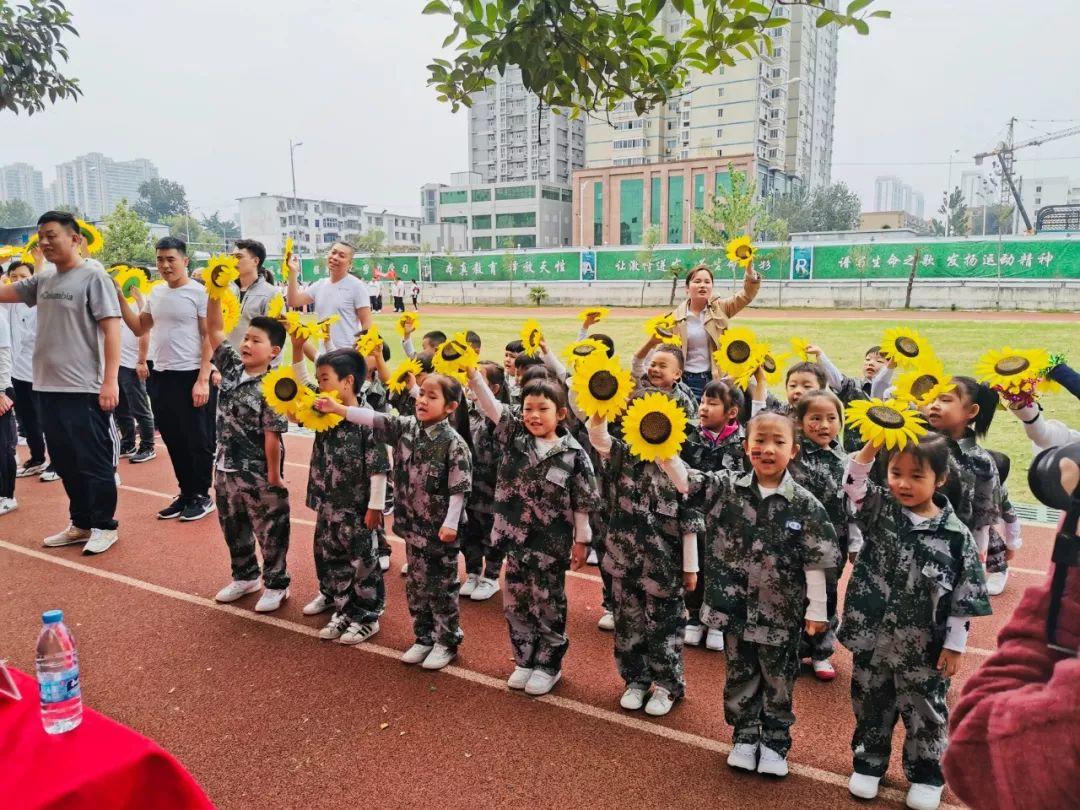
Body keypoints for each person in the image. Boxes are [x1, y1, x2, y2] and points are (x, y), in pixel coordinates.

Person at [660, 411, 840, 778]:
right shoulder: (726, 488)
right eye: (759, 440)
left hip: (781, 613)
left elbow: (817, 561)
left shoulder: (805, 504)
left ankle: (774, 743)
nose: (767, 449)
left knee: (778, 678)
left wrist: (817, 610)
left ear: (794, 450)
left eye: (778, 441)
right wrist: (662, 449)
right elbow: (686, 483)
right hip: (735, 610)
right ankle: (744, 736)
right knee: (740, 674)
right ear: (745, 447)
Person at [841, 434, 991, 810]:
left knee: (925, 711)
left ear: (939, 479)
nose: (903, 483)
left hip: (922, 647)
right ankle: (868, 764)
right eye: (895, 473)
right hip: (872, 638)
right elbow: (853, 483)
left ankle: (927, 774)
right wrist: (873, 446)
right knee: (870, 703)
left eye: (916, 476)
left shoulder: (956, 537)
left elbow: (963, 596)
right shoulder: (879, 508)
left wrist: (955, 646)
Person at [316, 374, 473, 672]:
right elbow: (372, 418)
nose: (423, 401)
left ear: (451, 406)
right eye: (421, 394)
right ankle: (424, 637)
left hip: (440, 533)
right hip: (413, 527)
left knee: (440, 587)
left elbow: (459, 489)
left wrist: (451, 524)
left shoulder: (453, 444)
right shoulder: (407, 428)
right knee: (416, 585)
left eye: (432, 397)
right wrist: (338, 409)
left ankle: (446, 641)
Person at [468, 369, 600, 696]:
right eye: (527, 408)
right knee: (516, 603)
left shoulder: (573, 454)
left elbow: (582, 501)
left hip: (549, 546)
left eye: (543, 408)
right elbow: (492, 407)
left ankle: (549, 664)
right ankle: (524, 659)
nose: (534, 415)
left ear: (562, 413)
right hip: (513, 542)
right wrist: (472, 375)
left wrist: (582, 541)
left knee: (548, 604)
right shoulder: (515, 438)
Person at [0, 211, 122, 554]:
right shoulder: (43, 281)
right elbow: (5, 292)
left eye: (52, 235)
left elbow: (111, 329)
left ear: (75, 239)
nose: (44, 242)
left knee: (94, 461)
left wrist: (110, 381)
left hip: (84, 388)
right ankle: (81, 522)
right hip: (46, 388)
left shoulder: (92, 277)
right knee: (66, 461)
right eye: (41, 236)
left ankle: (104, 525)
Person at [588, 410, 700, 716]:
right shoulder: (622, 458)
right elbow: (598, 439)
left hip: (663, 569)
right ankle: (635, 680)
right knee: (628, 626)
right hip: (624, 563)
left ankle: (667, 685)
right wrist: (598, 413)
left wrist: (691, 569)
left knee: (664, 629)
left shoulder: (681, 473)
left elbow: (690, 524)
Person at [292, 339, 392, 643]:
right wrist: (297, 348)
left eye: (325, 379)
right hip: (328, 503)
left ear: (348, 381)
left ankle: (367, 616)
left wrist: (375, 507)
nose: (319, 386)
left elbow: (378, 468)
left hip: (357, 509)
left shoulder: (366, 421)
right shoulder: (324, 412)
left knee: (364, 563)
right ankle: (343, 608)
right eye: (320, 379)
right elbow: (301, 382)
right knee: (330, 555)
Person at [116, 236, 216, 522]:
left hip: (191, 375)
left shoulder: (200, 293)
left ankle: (202, 495)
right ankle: (185, 493)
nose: (165, 265)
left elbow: (207, 335)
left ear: (185, 261)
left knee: (198, 439)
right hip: (161, 375)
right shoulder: (156, 293)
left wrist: (203, 378)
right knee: (173, 437)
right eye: (160, 259)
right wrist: (121, 300)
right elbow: (138, 328)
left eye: (171, 259)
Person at [204, 295, 292, 613]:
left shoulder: (276, 385)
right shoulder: (230, 369)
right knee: (232, 524)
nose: (247, 344)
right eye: (246, 338)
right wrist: (214, 294)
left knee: (270, 528)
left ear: (274, 352)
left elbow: (273, 436)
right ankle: (245, 576)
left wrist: (274, 475)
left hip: (257, 471)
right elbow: (213, 329)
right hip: (225, 467)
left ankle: (276, 583)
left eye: (256, 340)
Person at [680, 378, 746, 652]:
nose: (704, 408)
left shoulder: (742, 442)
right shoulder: (689, 437)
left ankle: (718, 621)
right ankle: (695, 616)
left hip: (728, 521)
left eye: (713, 403)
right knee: (696, 567)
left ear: (732, 412)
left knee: (725, 569)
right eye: (703, 401)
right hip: (695, 516)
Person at [789, 389, 851, 682]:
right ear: (800, 422)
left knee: (825, 596)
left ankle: (821, 651)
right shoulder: (793, 454)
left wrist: (856, 541)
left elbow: (853, 502)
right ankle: (792, 649)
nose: (824, 425)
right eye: (815, 418)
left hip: (832, 545)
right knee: (792, 595)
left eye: (831, 418)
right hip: (795, 544)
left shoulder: (844, 458)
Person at [668, 262, 761, 400]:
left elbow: (747, 295)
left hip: (714, 378)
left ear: (712, 287)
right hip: (684, 380)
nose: (702, 285)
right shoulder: (675, 318)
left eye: (707, 282)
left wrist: (749, 271)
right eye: (697, 281)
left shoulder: (720, 309)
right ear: (687, 288)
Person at [460, 361, 507, 603]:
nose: (469, 384)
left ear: (495, 389)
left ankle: (491, 576)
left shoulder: (498, 416)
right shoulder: (466, 412)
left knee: (493, 534)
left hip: (493, 490)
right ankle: (473, 572)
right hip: (470, 487)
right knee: (470, 532)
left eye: (476, 379)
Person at [6, 261, 51, 480]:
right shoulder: (10, 304)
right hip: (17, 372)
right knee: (28, 418)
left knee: (47, 419)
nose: (17, 280)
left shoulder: (39, 302)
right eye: (13, 277)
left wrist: (41, 263)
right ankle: (37, 458)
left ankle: (58, 464)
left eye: (23, 276)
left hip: (40, 372)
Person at [285, 241, 371, 352]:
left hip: (348, 354)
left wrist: (359, 353)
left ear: (350, 263)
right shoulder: (320, 284)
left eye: (341, 255)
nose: (335, 257)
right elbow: (293, 301)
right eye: (333, 252)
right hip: (325, 354)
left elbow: (367, 324)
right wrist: (293, 273)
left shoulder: (356, 286)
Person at [114, 268, 156, 465]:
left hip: (133, 364)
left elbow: (144, 332)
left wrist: (141, 360)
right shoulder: (118, 303)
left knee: (139, 407)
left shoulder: (144, 300)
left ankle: (148, 445)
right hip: (117, 363)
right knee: (121, 408)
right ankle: (128, 442)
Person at [227, 239, 279, 350]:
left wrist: (271, 366)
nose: (233, 261)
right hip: (226, 362)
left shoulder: (271, 294)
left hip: (255, 362)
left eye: (239, 257)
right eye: (232, 257)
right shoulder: (226, 291)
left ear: (255, 261)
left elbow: (276, 336)